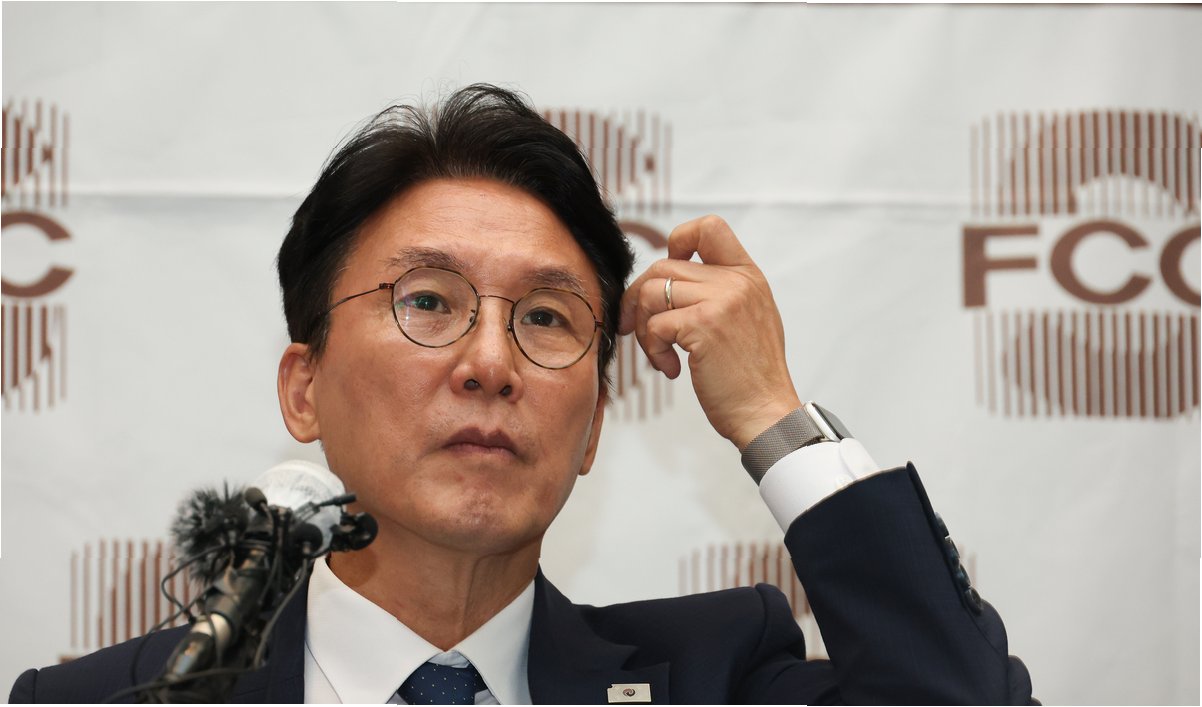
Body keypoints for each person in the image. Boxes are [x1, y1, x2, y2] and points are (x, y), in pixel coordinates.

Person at [9, 84, 1034, 704]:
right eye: (427, 300)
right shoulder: (105, 700)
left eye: (545, 316)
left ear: (591, 428)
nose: (490, 362)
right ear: (304, 386)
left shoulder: (715, 674)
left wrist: (775, 417)